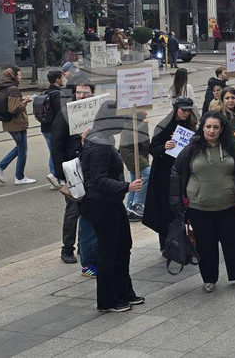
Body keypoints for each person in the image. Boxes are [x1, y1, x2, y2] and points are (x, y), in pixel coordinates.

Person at [169, 111, 235, 293]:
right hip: (199, 208)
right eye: (208, 127)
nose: (211, 131)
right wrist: (176, 202)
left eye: (215, 127)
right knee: (205, 245)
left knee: (234, 243)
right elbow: (176, 173)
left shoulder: (232, 147)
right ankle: (209, 279)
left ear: (222, 129)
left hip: (229, 206)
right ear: (202, 128)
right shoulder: (191, 149)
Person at [79, 102, 145, 311]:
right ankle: (108, 299)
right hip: (101, 204)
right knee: (110, 251)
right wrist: (127, 186)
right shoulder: (99, 143)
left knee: (123, 245)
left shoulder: (103, 137)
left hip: (111, 202)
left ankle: (124, 291)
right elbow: (97, 180)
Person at [51, 82, 98, 271]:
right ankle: (67, 248)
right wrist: (60, 173)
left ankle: (83, 246)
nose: (81, 96)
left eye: (85, 93)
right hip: (72, 168)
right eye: (78, 93)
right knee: (73, 209)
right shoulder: (66, 114)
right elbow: (56, 144)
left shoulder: (97, 113)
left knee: (90, 209)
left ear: (93, 94)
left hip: (93, 168)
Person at [143, 97, 198, 249]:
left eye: (188, 111)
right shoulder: (164, 125)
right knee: (165, 208)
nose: (186, 113)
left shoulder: (192, 125)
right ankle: (166, 243)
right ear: (176, 109)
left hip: (184, 171)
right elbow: (152, 149)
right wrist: (164, 147)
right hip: (164, 174)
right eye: (183, 110)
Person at [0, 66, 35, 185]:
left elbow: (10, 103)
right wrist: (25, 102)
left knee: (20, 147)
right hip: (17, 123)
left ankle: (0, 168)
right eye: (19, 74)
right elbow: (13, 108)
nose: (21, 77)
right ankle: (18, 177)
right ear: (13, 76)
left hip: (8, 123)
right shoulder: (14, 89)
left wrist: (21, 99)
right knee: (22, 150)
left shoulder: (4, 87)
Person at [118, 108, 150, 221]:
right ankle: (137, 204)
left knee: (135, 180)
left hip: (139, 153)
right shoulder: (130, 119)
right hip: (130, 153)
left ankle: (129, 208)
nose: (147, 111)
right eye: (144, 109)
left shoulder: (140, 120)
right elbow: (129, 137)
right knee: (147, 174)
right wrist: (142, 125)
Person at [39, 69, 65, 189]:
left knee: (52, 151)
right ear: (57, 79)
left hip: (45, 127)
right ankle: (54, 175)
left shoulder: (44, 93)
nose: (64, 79)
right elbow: (61, 113)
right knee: (56, 152)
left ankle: (54, 177)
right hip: (54, 128)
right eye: (62, 77)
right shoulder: (58, 94)